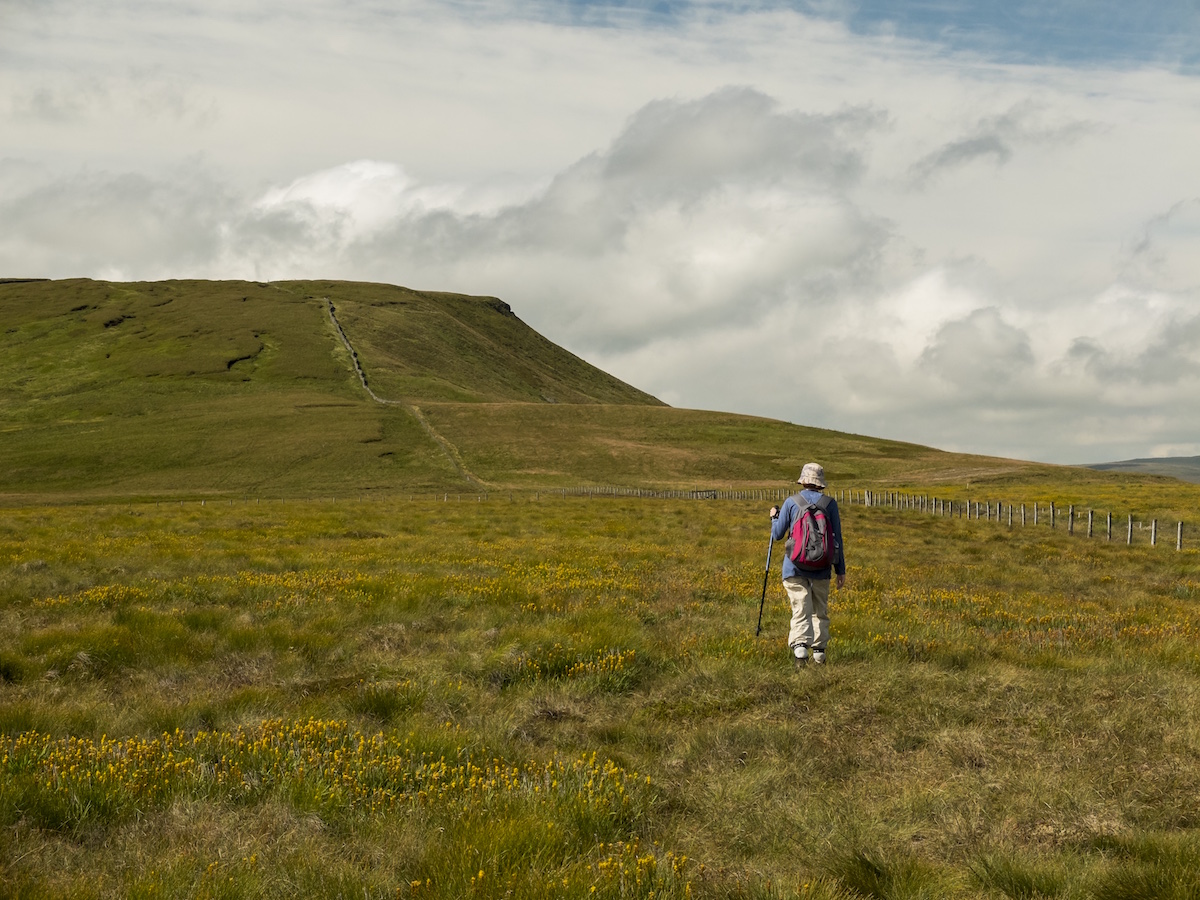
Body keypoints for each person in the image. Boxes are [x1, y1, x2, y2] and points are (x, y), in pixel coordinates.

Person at [769, 462, 846, 667]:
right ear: (820, 483)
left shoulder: (792, 502)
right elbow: (837, 538)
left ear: (803, 481)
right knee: (819, 610)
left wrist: (774, 518)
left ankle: (800, 652)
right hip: (822, 566)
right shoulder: (830, 504)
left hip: (793, 566)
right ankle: (819, 654)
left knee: (800, 607)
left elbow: (777, 535)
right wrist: (841, 570)